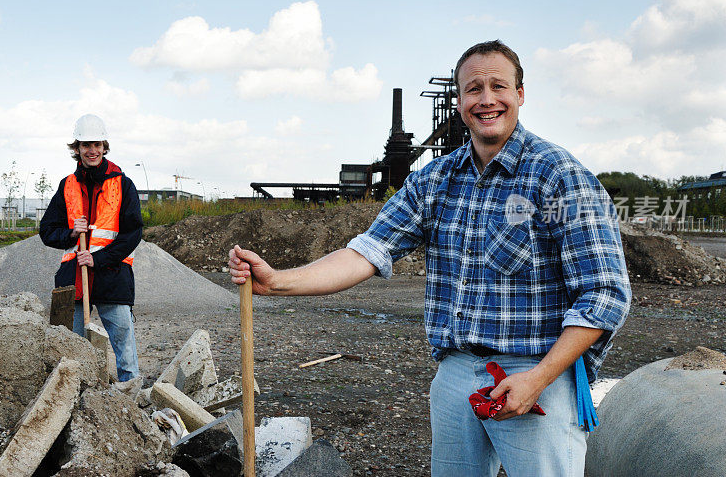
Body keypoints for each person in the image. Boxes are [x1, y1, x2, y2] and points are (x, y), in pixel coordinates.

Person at [228, 40, 631, 476]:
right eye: (474, 89)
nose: (487, 98)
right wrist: (280, 280)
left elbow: (604, 293)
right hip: (456, 376)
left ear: (520, 94)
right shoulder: (436, 180)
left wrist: (539, 378)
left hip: (536, 378)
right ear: (459, 102)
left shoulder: (558, 176)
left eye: (499, 86)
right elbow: (368, 250)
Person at [40, 113, 143, 383]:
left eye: (97, 144)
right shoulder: (67, 186)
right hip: (73, 279)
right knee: (70, 350)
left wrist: (98, 259)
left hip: (112, 275)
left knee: (124, 348)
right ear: (77, 149)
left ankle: (129, 398)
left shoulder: (123, 184)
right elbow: (47, 231)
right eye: (86, 145)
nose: (92, 150)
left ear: (104, 146)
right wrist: (72, 232)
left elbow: (132, 233)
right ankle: (75, 398)